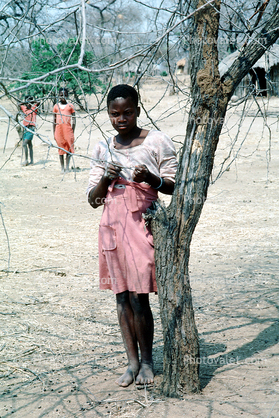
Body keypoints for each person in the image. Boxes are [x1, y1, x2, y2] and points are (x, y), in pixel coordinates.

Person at [87, 84, 177, 387]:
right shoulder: (103, 148)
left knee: (140, 298)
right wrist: (106, 178)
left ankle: (148, 363)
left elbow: (175, 185)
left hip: (142, 226)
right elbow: (93, 200)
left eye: (127, 113)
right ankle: (132, 362)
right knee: (122, 297)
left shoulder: (156, 141)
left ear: (137, 110)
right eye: (115, 114)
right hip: (112, 226)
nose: (121, 119)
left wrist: (150, 178)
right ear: (108, 115)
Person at [53, 87, 76, 173]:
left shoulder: (70, 106)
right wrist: (54, 132)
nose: (63, 97)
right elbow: (54, 120)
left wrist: (72, 130)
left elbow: (74, 119)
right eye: (61, 95)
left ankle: (67, 167)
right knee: (60, 148)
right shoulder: (56, 106)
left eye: (65, 95)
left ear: (68, 95)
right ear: (58, 96)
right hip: (59, 131)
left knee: (69, 148)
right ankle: (62, 167)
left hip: (68, 130)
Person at [19, 96, 40, 166]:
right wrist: (25, 102)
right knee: (29, 145)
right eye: (27, 102)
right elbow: (19, 104)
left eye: (30, 102)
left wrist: (32, 102)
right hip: (25, 128)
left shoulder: (34, 109)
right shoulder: (24, 108)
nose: (28, 104)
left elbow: (38, 102)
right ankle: (32, 161)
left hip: (31, 128)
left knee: (25, 143)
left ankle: (26, 160)